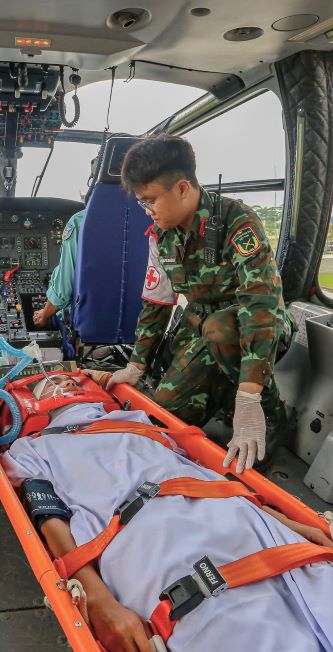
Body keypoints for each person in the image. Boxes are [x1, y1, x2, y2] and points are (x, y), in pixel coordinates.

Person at [2, 374, 333, 652]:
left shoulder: (140, 421)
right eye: (47, 381)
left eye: (65, 377)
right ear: (34, 403)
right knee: (241, 630)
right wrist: (98, 600)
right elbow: (50, 520)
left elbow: (204, 472)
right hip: (155, 536)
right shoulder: (31, 446)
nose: (59, 381)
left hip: (235, 514)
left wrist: (277, 516)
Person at [106, 135, 293, 475]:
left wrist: (250, 394)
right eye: (141, 203)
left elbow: (262, 300)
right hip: (200, 327)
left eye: (151, 201)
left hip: (256, 326)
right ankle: (222, 396)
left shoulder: (237, 220)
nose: (147, 210)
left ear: (181, 188)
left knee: (220, 329)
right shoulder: (160, 235)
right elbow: (157, 302)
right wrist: (136, 365)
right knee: (164, 417)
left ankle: (268, 412)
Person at [32, 209, 85, 327]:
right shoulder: (135, 216)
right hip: (132, 326)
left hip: (85, 322)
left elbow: (65, 285)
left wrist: (44, 314)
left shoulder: (80, 220)